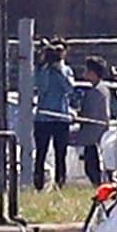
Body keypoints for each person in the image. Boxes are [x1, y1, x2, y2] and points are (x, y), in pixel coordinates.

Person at [33, 43, 76, 190]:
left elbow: (69, 89)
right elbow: (42, 88)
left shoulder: (67, 70)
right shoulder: (42, 70)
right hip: (43, 118)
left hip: (61, 117)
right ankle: (38, 184)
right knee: (41, 153)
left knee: (60, 154)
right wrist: (45, 67)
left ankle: (60, 183)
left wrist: (59, 71)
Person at [80, 56, 112, 186]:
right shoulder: (103, 89)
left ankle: (98, 185)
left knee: (91, 166)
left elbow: (90, 113)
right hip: (97, 134)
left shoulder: (96, 92)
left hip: (94, 135)